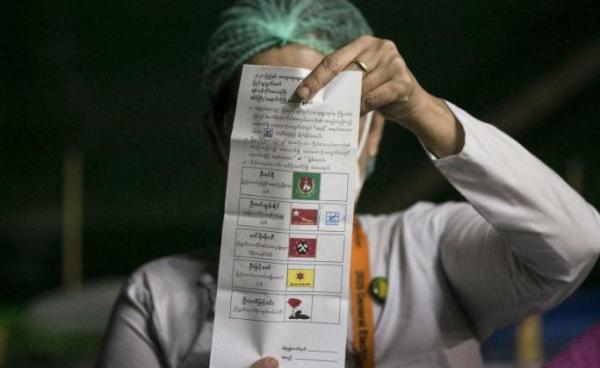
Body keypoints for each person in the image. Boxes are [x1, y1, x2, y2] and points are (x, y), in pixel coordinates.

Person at [96, 1, 600, 367]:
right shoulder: (155, 298)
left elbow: (576, 244)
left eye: (321, 121)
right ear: (218, 138)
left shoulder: (428, 249)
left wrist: (424, 110)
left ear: (373, 133)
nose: (294, 154)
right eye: (264, 120)